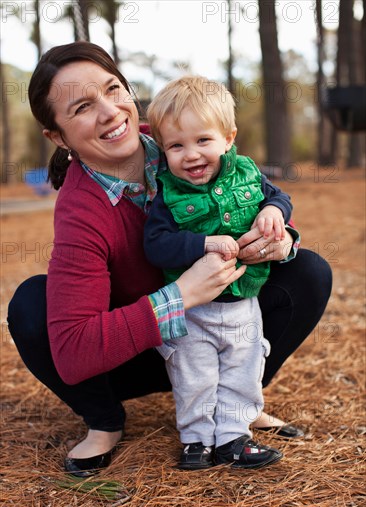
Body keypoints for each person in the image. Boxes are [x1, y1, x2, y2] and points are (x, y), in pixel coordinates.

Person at [7, 42, 332, 478]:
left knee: (307, 269)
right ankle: (104, 422)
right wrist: (180, 295)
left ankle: (239, 401)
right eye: (84, 106)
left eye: (112, 89)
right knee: (31, 305)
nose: (109, 112)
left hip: (228, 324)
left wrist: (276, 239)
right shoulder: (81, 210)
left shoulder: (180, 133)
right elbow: (73, 354)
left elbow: (251, 191)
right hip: (136, 350)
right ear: (58, 137)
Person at [144, 75, 297, 470]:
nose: (191, 155)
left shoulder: (246, 173)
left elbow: (278, 196)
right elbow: (155, 244)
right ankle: (196, 439)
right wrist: (203, 244)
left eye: (202, 141)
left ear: (228, 138)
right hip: (193, 310)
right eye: (177, 145)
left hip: (243, 301)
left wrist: (273, 212)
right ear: (163, 150)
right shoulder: (168, 193)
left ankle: (233, 436)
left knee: (243, 370)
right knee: (193, 374)